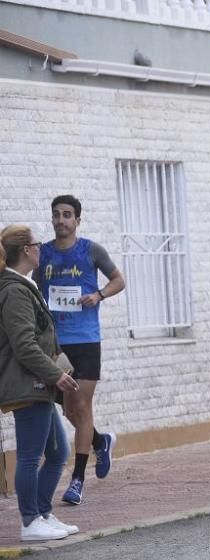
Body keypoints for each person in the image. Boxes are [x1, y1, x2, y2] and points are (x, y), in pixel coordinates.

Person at [33, 195, 125, 506]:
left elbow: (119, 280)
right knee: (69, 408)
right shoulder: (42, 254)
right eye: (57, 215)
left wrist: (98, 295)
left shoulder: (91, 250)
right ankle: (101, 441)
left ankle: (77, 481)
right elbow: (33, 291)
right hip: (55, 344)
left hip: (86, 340)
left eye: (67, 215)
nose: (61, 220)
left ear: (77, 220)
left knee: (82, 407)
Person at [0, 225, 80, 541]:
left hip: (39, 384)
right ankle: (30, 521)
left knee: (58, 451)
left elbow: (43, 339)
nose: (41, 247)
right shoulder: (14, 291)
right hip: (27, 385)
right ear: (27, 251)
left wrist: (60, 368)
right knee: (31, 456)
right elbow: (24, 344)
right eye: (36, 243)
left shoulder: (25, 285)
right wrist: (54, 374)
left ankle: (43, 513)